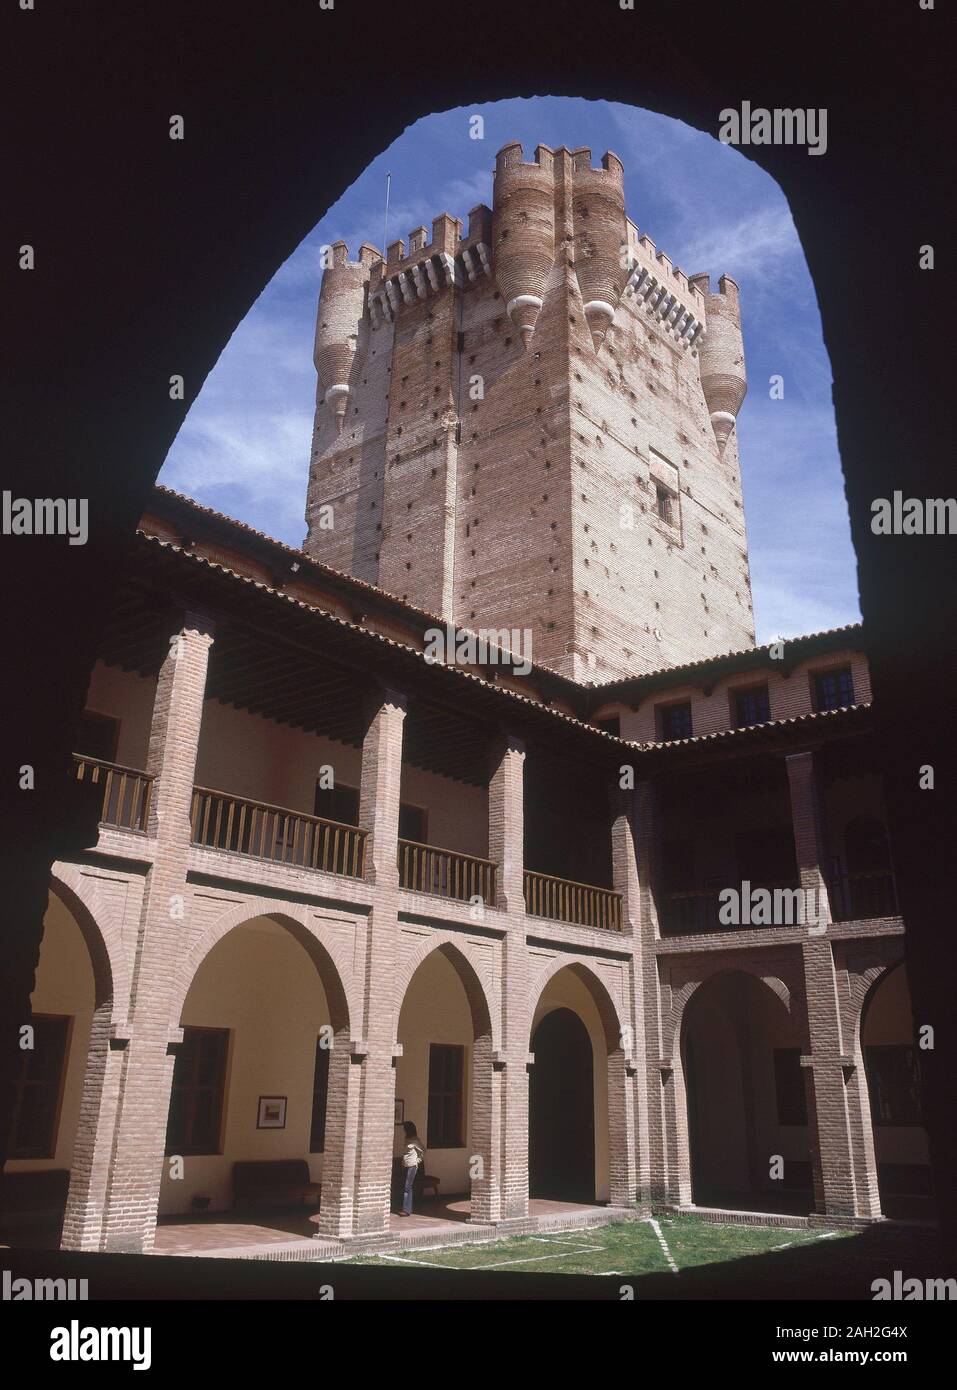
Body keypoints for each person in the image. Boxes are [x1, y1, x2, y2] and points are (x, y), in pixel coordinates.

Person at [398, 1121, 425, 1217]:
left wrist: (417, 1160)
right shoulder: (407, 1139)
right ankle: (409, 1208)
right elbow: (406, 1153)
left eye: (405, 1129)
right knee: (408, 1187)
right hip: (405, 1165)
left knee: (407, 1187)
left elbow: (423, 1151)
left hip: (412, 1166)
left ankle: (406, 1210)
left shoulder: (415, 1141)